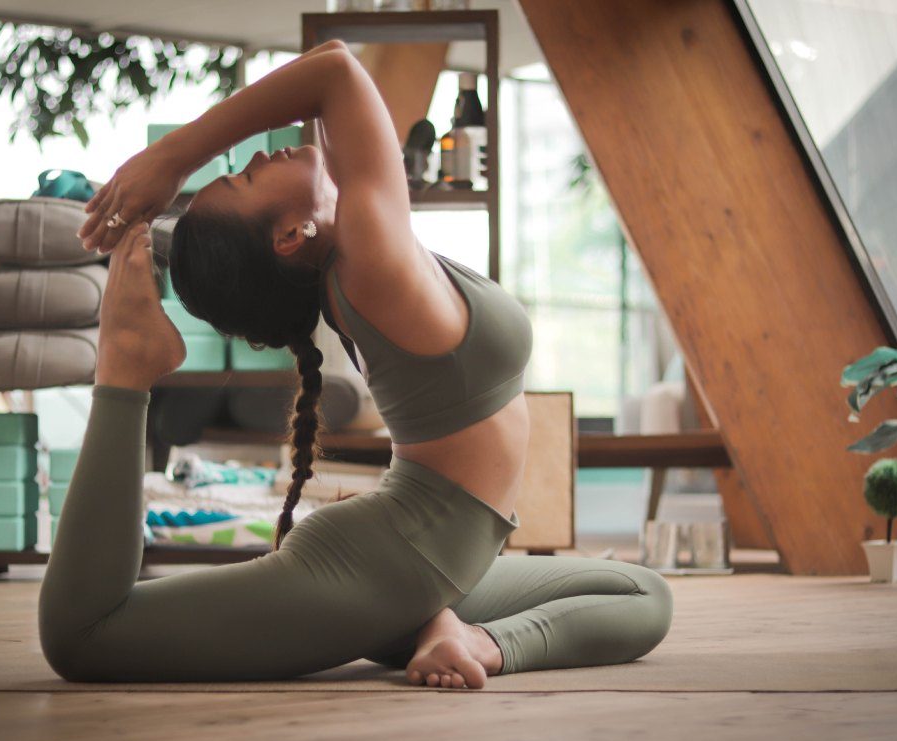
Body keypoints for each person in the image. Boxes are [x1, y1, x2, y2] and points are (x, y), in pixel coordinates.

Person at [39, 39, 673, 689]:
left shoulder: (356, 251)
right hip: (379, 565)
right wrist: (171, 159)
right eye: (247, 179)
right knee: (85, 636)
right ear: (290, 236)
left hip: (426, 563)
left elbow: (333, 94)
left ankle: (458, 634)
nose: (258, 154)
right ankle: (125, 359)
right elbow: (336, 69)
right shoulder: (371, 258)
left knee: (643, 594)